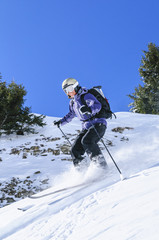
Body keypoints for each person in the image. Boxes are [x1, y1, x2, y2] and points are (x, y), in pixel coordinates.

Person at [54, 78, 107, 169]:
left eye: (70, 89)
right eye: (66, 91)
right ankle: (82, 171)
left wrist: (89, 110)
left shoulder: (86, 95)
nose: (68, 92)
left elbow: (97, 105)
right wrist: (61, 122)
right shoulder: (73, 103)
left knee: (87, 141)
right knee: (75, 149)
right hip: (86, 127)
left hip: (98, 123)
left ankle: (102, 166)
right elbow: (71, 115)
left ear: (75, 86)